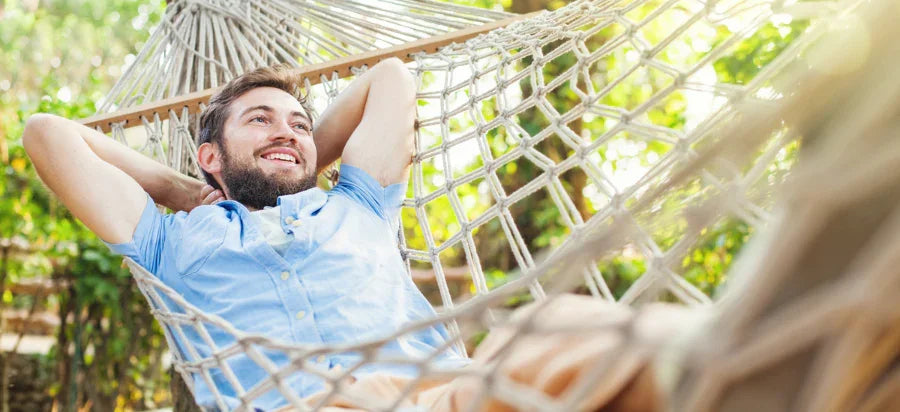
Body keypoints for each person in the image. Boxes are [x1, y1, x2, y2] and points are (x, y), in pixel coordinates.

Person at [23, 59, 679, 411]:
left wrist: (291, 155)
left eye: (301, 124)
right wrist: (184, 190)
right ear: (209, 155)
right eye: (260, 120)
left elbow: (390, 79)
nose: (287, 130)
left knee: (565, 327)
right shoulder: (169, 242)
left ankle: (740, 369)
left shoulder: (358, 204)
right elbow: (47, 135)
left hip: (434, 399)